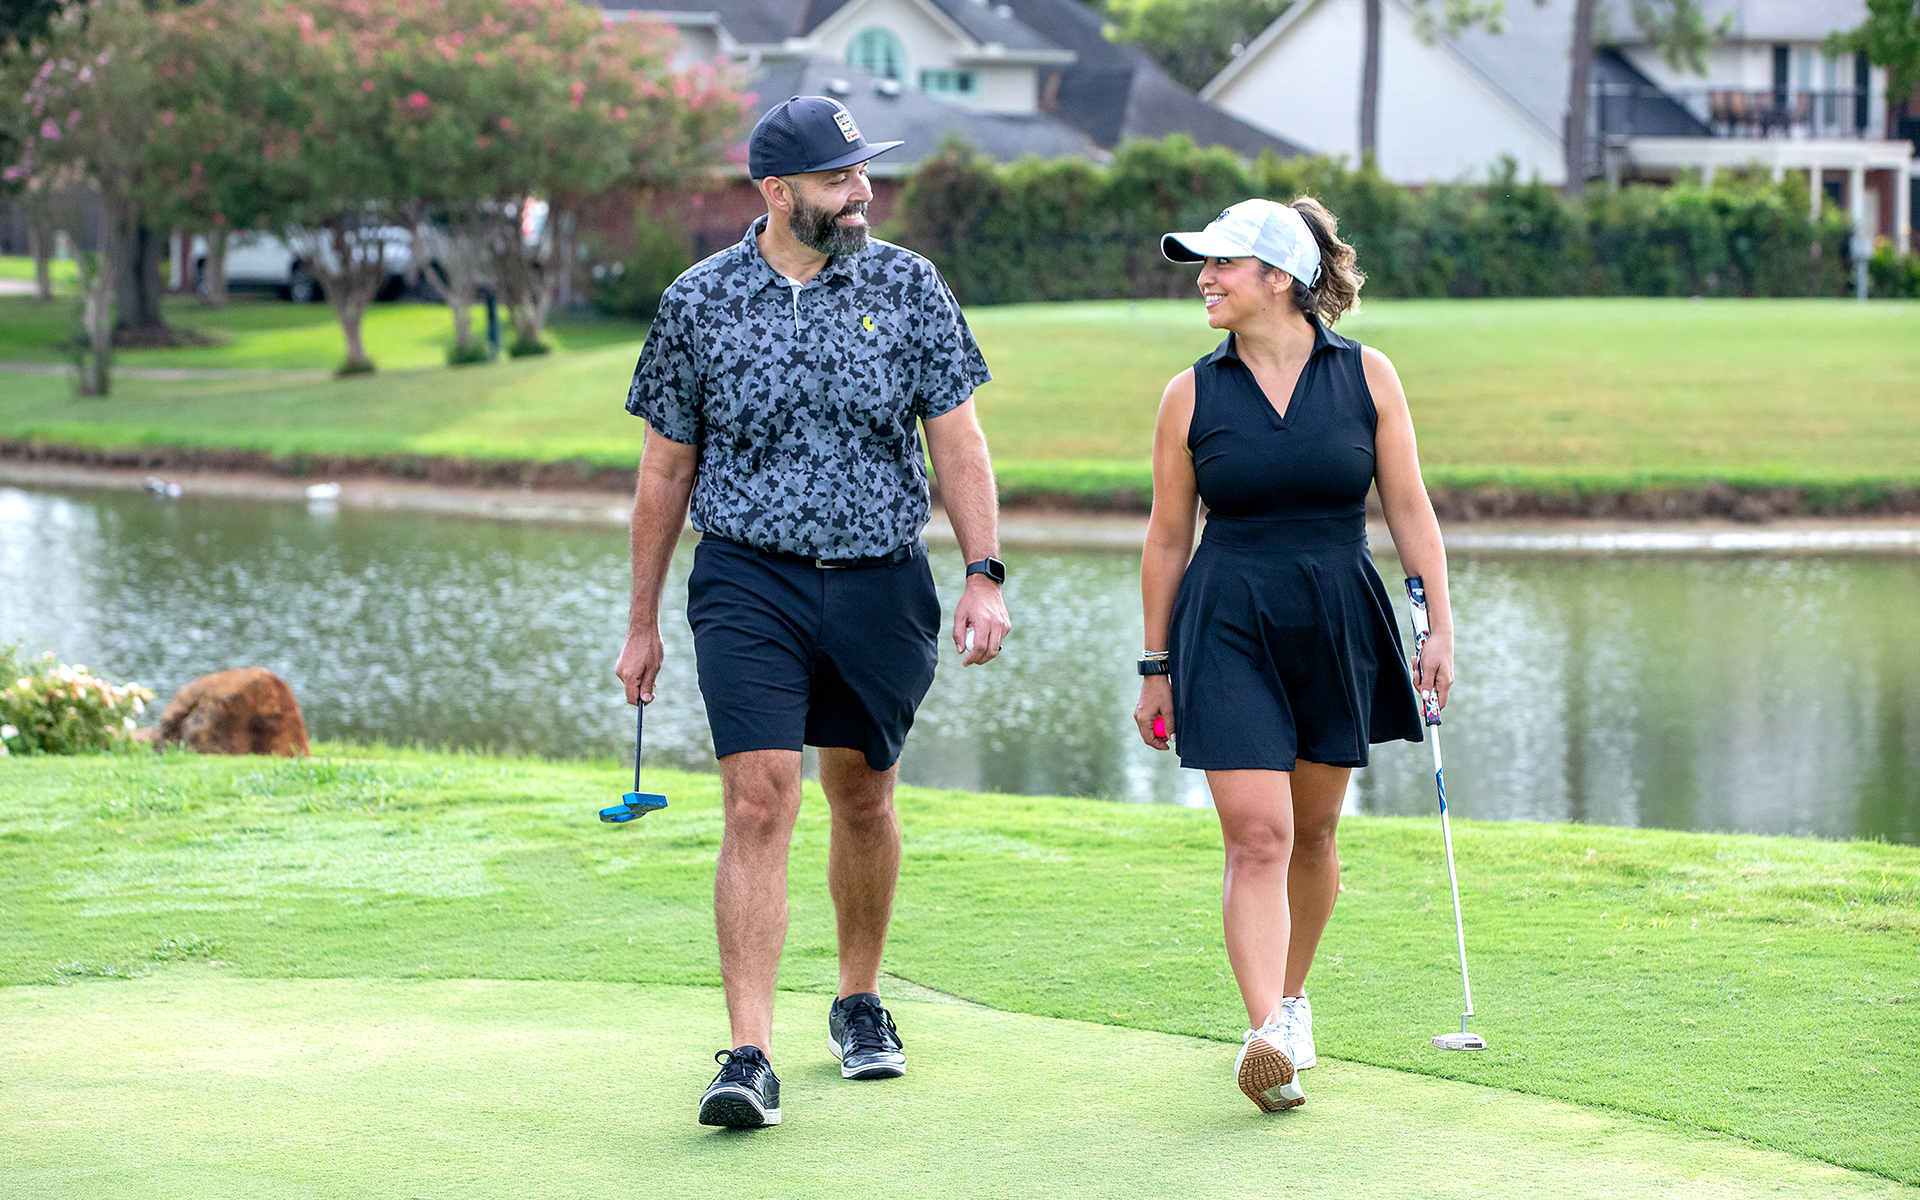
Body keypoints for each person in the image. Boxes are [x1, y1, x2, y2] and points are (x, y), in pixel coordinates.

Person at [615, 96, 1011, 1131]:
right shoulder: (699, 301)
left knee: (863, 796)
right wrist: (642, 621)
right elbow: (665, 469)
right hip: (749, 579)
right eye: (839, 179)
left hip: (882, 578)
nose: (861, 193)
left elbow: (957, 440)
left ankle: (858, 1000)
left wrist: (985, 572)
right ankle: (749, 1055)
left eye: (863, 173)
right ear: (777, 191)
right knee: (758, 799)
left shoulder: (909, 284)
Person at [1131, 198, 1454, 1113]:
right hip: (1226, 620)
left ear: (1279, 278)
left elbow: (1409, 507)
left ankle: (1292, 999)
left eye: (1221, 264)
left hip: (1335, 617)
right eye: (1202, 265)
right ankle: (1266, 1031)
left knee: (1312, 833)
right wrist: (1154, 666)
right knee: (1259, 834)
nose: (1204, 279)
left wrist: (1438, 625)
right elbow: (1167, 538)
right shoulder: (1190, 394)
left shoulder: (1368, 377)